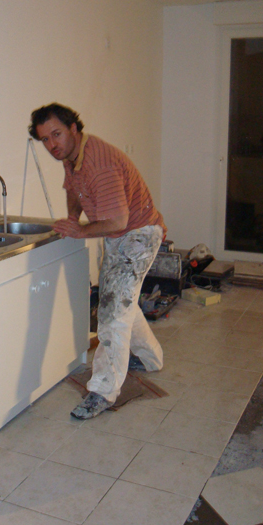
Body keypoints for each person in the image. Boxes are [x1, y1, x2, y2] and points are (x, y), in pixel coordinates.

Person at [29, 103, 167, 419]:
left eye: (56, 134)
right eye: (45, 139)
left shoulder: (99, 164)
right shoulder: (72, 156)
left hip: (138, 234)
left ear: (73, 128)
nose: (52, 145)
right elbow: (73, 190)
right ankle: (151, 358)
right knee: (121, 302)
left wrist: (79, 230)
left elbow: (118, 220)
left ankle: (103, 392)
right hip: (120, 234)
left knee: (112, 312)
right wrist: (71, 218)